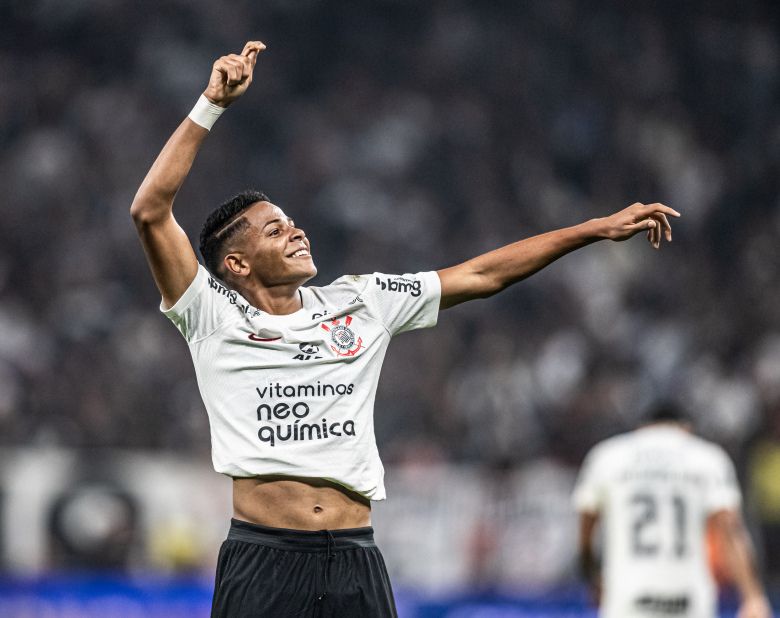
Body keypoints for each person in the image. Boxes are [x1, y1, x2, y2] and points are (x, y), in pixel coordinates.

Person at [131, 40, 680, 617]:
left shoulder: (361, 300)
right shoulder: (210, 316)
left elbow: (482, 274)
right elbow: (149, 209)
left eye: (292, 223)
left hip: (355, 556)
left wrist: (592, 229)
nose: (296, 233)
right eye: (273, 231)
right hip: (263, 557)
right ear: (236, 265)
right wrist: (211, 104)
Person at [573, 402, 772, 618]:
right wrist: (752, 596)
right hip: (688, 598)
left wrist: (592, 578)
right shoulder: (707, 458)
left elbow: (585, 532)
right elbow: (730, 531)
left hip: (627, 597)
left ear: (641, 428)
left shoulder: (607, 456)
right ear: (685, 429)